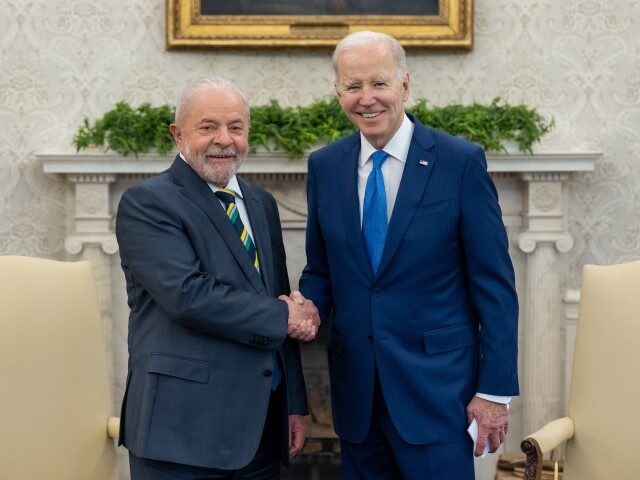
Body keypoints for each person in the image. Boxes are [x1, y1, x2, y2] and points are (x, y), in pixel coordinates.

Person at [298, 31, 519, 479]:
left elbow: (494, 284)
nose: (366, 99)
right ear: (338, 92)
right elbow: (321, 271)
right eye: (352, 86)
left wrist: (495, 391)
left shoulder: (459, 162)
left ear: (404, 85)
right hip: (357, 396)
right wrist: (301, 309)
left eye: (378, 83)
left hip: (438, 395)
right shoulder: (325, 166)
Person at [116, 78, 319, 479]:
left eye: (236, 127)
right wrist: (285, 316)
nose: (224, 139)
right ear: (178, 133)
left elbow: (275, 293)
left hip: (261, 428)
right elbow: (187, 295)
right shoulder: (148, 203)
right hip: (182, 432)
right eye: (208, 127)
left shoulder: (261, 202)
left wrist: (294, 402)